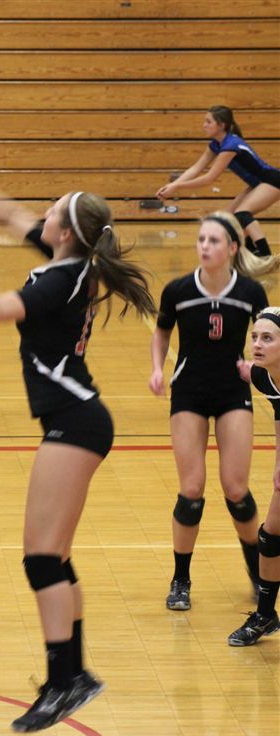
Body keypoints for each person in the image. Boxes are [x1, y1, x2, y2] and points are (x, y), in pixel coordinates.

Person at [0, 156, 156, 733]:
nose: (41, 213)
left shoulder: (57, 279)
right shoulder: (71, 261)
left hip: (75, 420)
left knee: (41, 557)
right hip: (77, 419)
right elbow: (8, 213)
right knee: (55, 555)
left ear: (65, 232)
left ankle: (61, 682)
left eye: (53, 210)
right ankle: (75, 675)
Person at [149, 211, 279, 614]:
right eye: (201, 239)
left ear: (232, 248)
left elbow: (269, 336)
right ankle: (180, 579)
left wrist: (256, 366)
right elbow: (162, 331)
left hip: (231, 391)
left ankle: (257, 571)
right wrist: (157, 368)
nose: (205, 246)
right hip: (188, 391)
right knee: (191, 490)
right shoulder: (178, 289)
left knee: (236, 490)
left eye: (213, 240)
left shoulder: (251, 292)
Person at [156, 106, 280, 257]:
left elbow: (209, 178)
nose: (204, 125)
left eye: (208, 122)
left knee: (242, 214)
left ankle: (265, 255)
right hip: (258, 183)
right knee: (228, 219)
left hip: (272, 180)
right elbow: (196, 168)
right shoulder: (216, 145)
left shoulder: (230, 146)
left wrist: (177, 187)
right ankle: (251, 252)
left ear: (221, 125)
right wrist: (172, 185)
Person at [226, 308, 280, 645]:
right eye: (255, 337)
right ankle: (265, 616)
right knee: (271, 537)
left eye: (268, 338)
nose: (257, 345)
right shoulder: (263, 376)